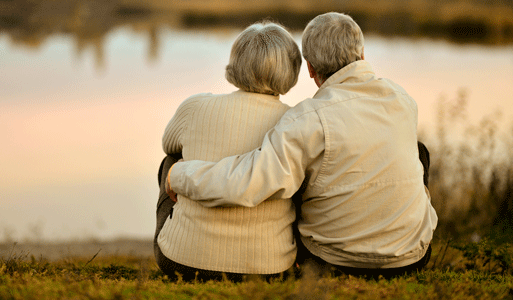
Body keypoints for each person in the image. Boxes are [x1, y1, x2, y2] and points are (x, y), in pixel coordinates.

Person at [167, 12, 438, 279]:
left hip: (333, 260)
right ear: (363, 54)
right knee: (418, 151)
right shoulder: (403, 100)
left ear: (309, 68)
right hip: (411, 257)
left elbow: (250, 181)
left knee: (297, 172)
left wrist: (178, 174)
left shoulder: (308, 118)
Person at [155, 21, 303, 281]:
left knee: (171, 161)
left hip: (183, 262)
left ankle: (183, 236)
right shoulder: (296, 122)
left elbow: (169, 144)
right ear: (291, 69)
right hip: (270, 268)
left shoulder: (195, 106)